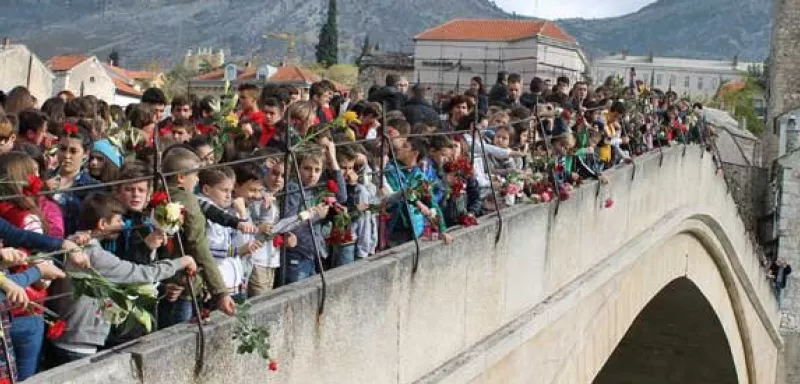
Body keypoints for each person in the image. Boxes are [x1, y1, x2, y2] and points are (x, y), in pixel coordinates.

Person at [46, 193, 196, 366]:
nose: (123, 224)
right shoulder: (95, 255)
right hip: (79, 339)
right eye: (118, 220)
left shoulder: (77, 242)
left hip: (71, 334)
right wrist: (182, 261)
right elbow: (139, 273)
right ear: (102, 224)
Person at [159, 148, 236, 327]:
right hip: (184, 283)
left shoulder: (158, 195)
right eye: (195, 175)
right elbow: (198, 246)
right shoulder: (187, 201)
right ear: (180, 177)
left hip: (164, 281)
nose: (198, 179)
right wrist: (220, 291)